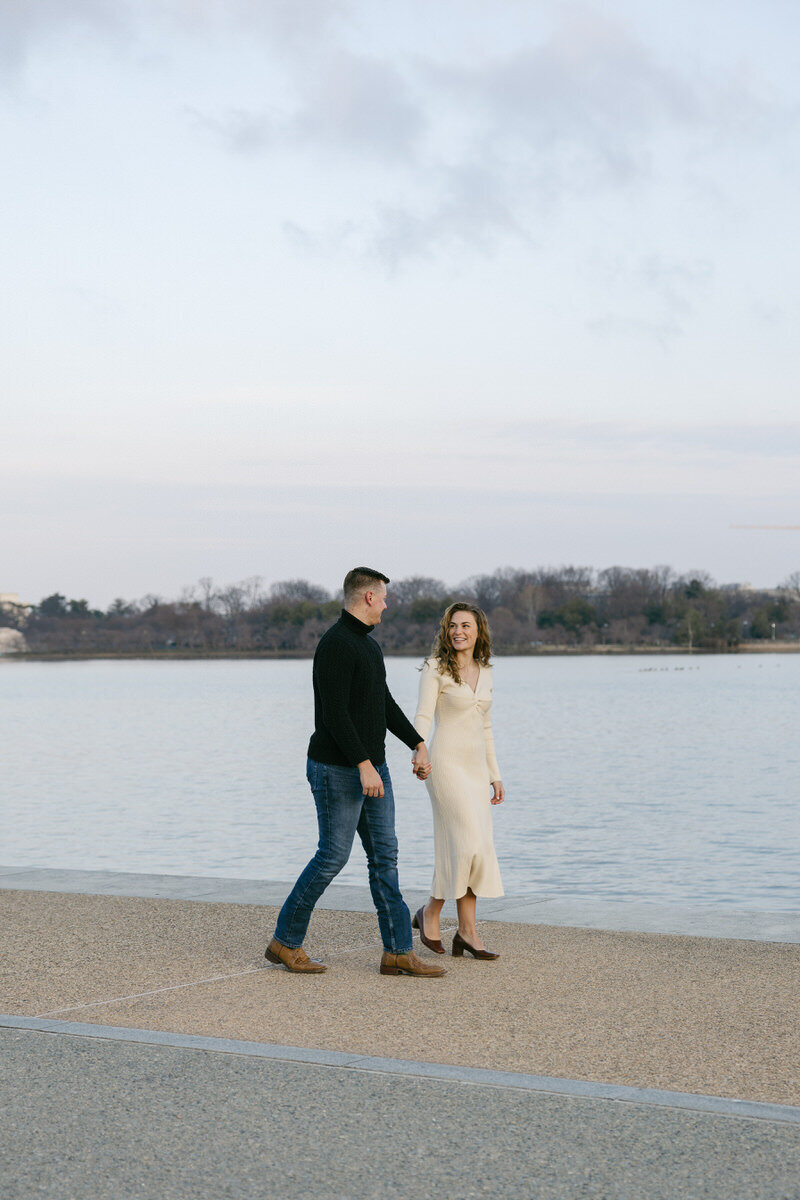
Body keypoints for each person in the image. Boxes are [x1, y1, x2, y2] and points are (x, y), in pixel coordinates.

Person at [266, 567, 446, 978]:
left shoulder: (369, 646)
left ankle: (398, 951)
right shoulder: (336, 645)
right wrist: (364, 766)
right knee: (332, 856)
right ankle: (284, 942)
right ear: (367, 597)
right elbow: (335, 716)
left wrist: (417, 742)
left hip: (371, 767)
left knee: (386, 857)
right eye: (382, 597)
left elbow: (382, 704)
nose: (386, 604)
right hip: (337, 769)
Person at [412, 603, 505, 959]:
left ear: (478, 630)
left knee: (478, 848)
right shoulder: (435, 668)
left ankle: (467, 932)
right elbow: (422, 715)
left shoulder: (486, 671)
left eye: (465, 625)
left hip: (476, 770)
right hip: (445, 765)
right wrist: (418, 751)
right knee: (464, 845)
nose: (458, 631)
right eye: (452, 626)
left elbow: (486, 728)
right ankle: (431, 911)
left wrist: (495, 776)